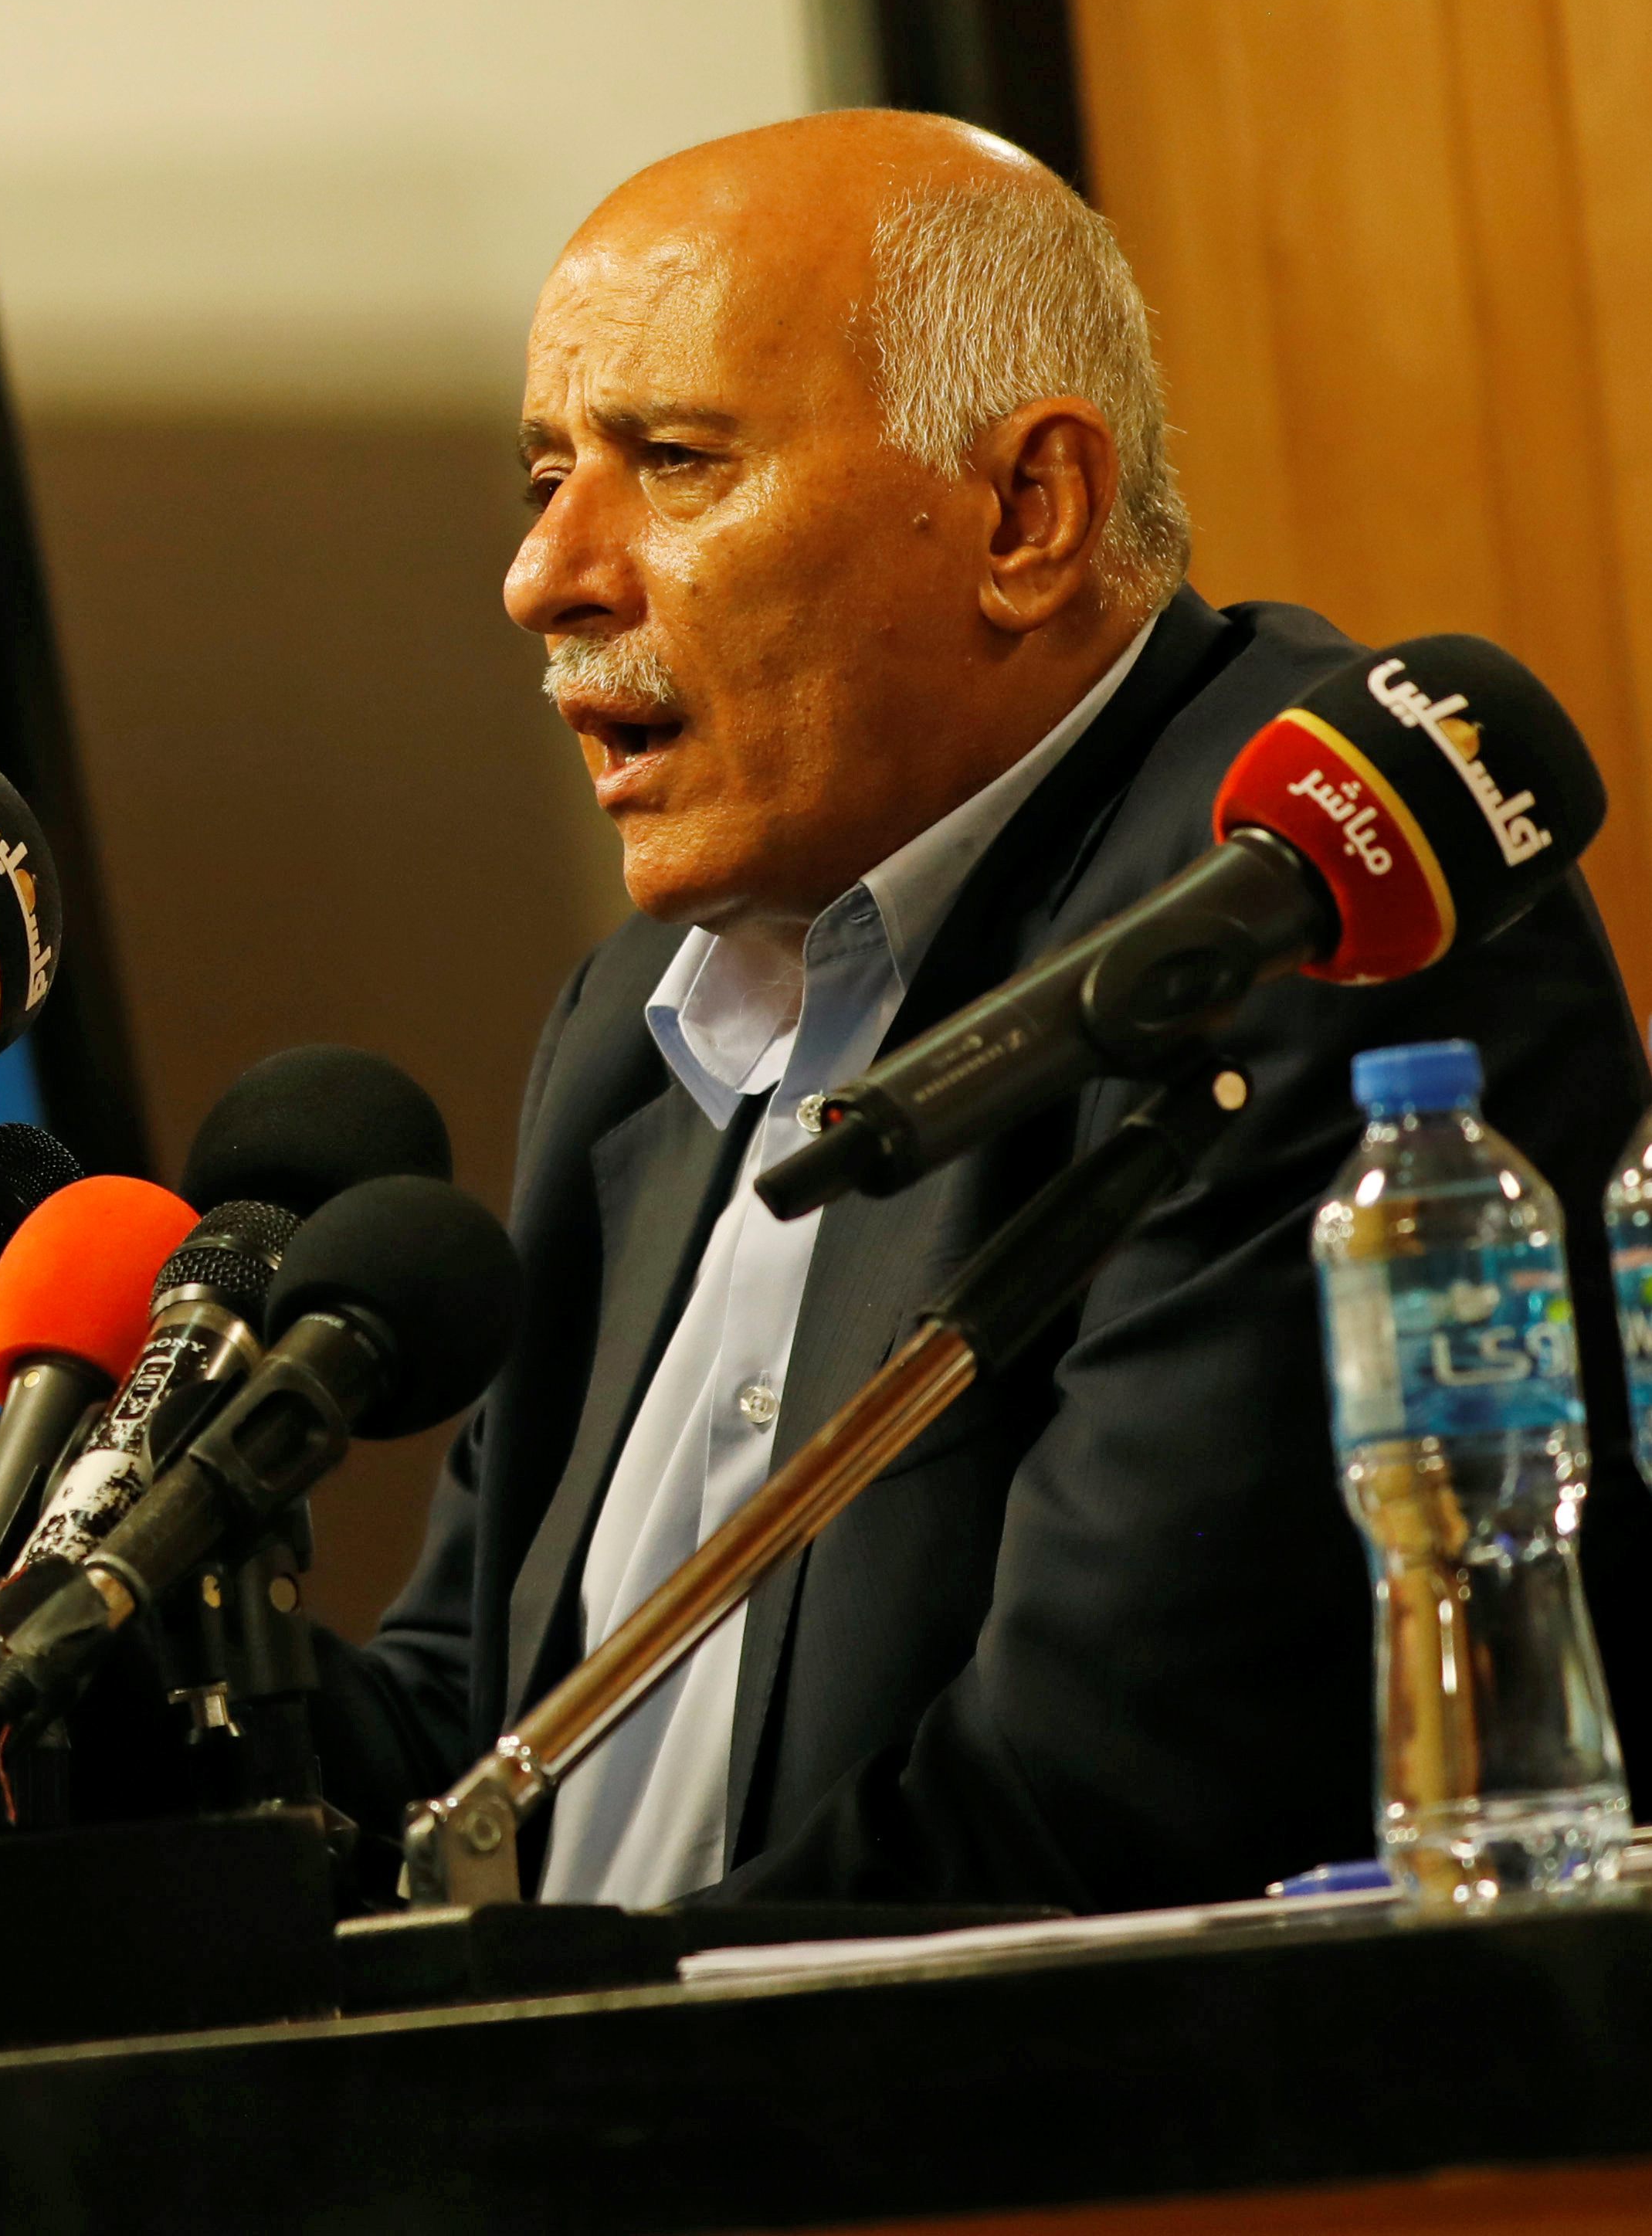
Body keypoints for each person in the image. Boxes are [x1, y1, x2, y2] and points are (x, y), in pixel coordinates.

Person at [311, 110, 1652, 1911]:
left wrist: (528, 2042)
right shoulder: (638, 1023)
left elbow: (1093, 1814)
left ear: (1028, 512)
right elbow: (477, 1738)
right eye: (547, 475)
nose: (543, 573)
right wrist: (81, 1648)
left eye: (674, 461)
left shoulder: (1306, 915)